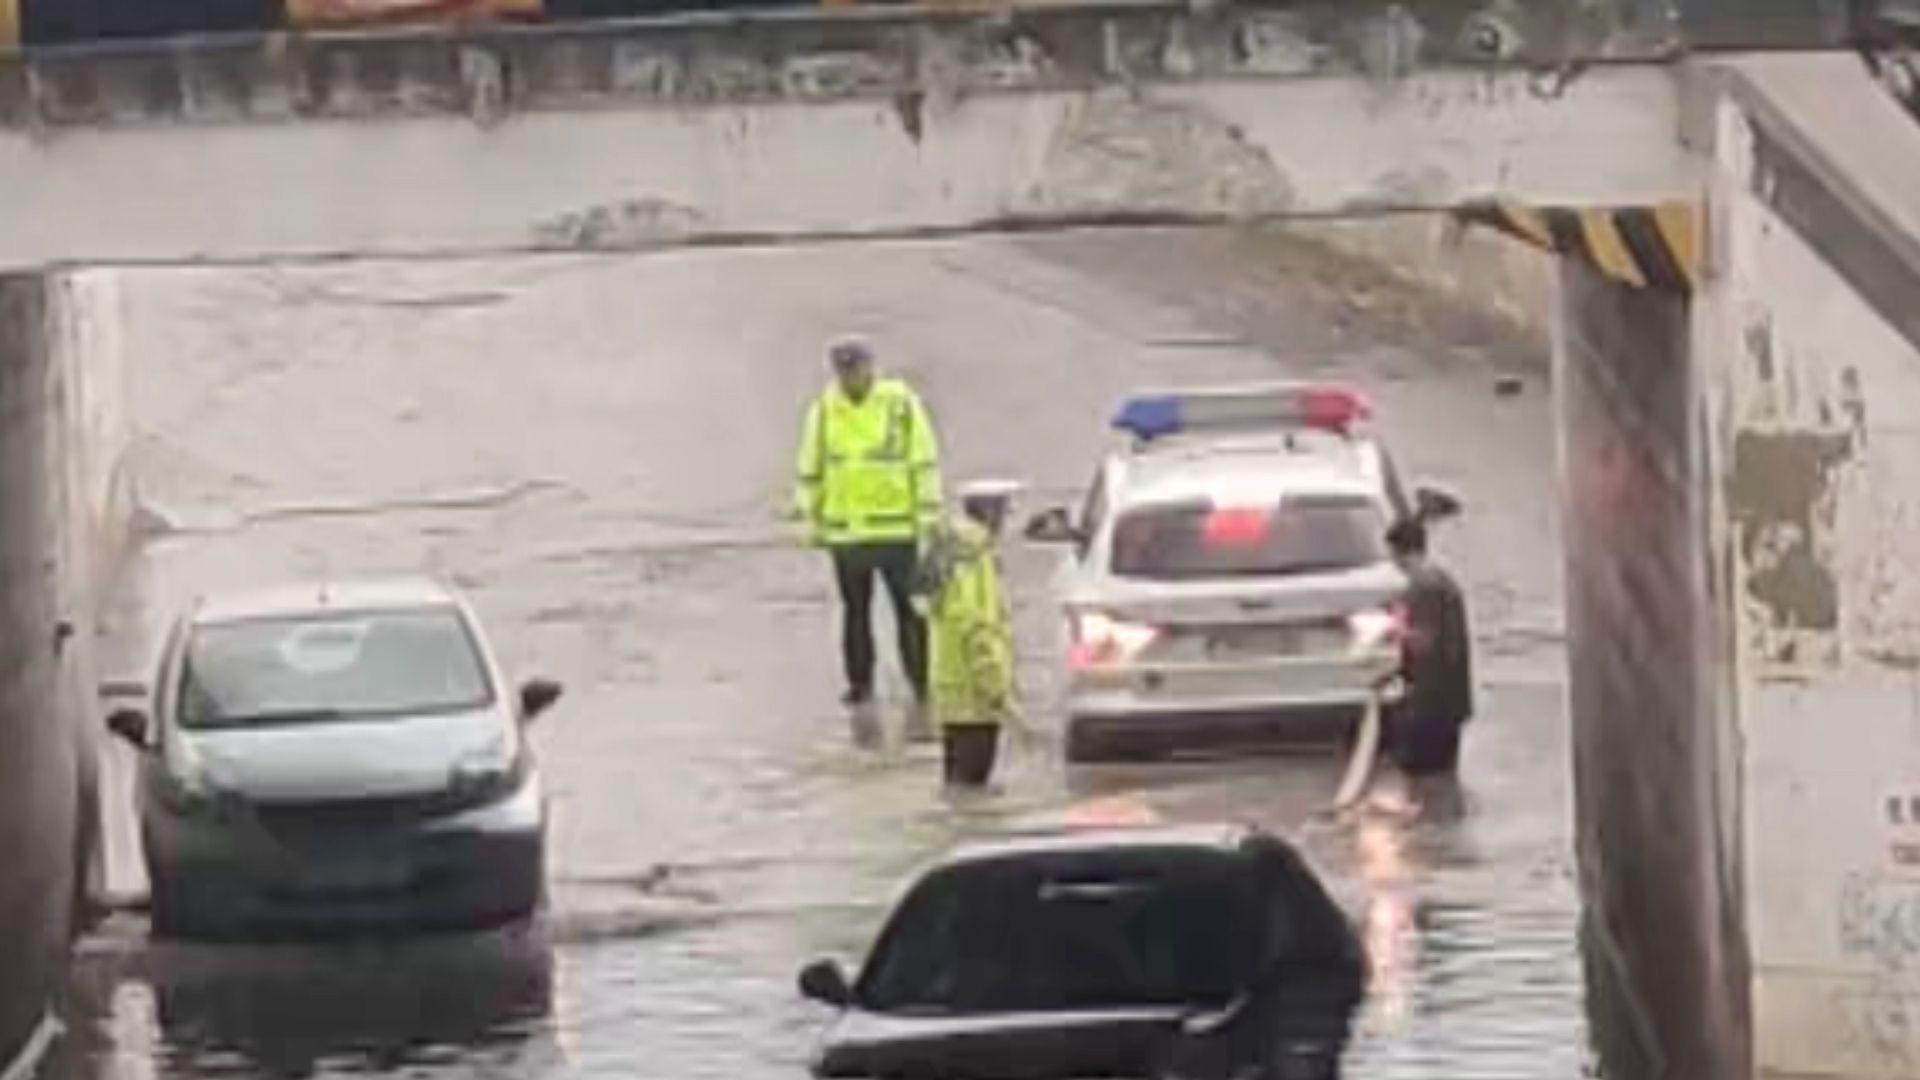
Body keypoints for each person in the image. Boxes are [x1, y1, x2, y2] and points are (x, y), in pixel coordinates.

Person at [794, 336, 943, 711]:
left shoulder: (901, 406)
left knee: (909, 613)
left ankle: (921, 680)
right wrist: (812, 524)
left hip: (897, 532)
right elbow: (810, 470)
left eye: (857, 369)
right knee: (855, 614)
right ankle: (860, 684)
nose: (851, 378)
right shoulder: (825, 411)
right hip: (848, 535)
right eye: (845, 372)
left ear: (870, 368)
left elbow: (923, 462)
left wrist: (928, 519)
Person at [917, 481, 1020, 788]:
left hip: (951, 691)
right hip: (976, 699)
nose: (1004, 522)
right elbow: (977, 628)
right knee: (972, 787)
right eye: (1002, 512)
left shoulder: (946, 554)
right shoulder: (975, 559)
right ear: (990, 514)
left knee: (957, 783)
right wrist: (997, 690)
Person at [1384, 517, 1473, 777]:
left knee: (1423, 781)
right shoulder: (1441, 580)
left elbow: (1424, 643)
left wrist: (1392, 630)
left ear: (1401, 553)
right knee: (1442, 780)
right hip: (1448, 703)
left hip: (1429, 707)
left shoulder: (1423, 587)